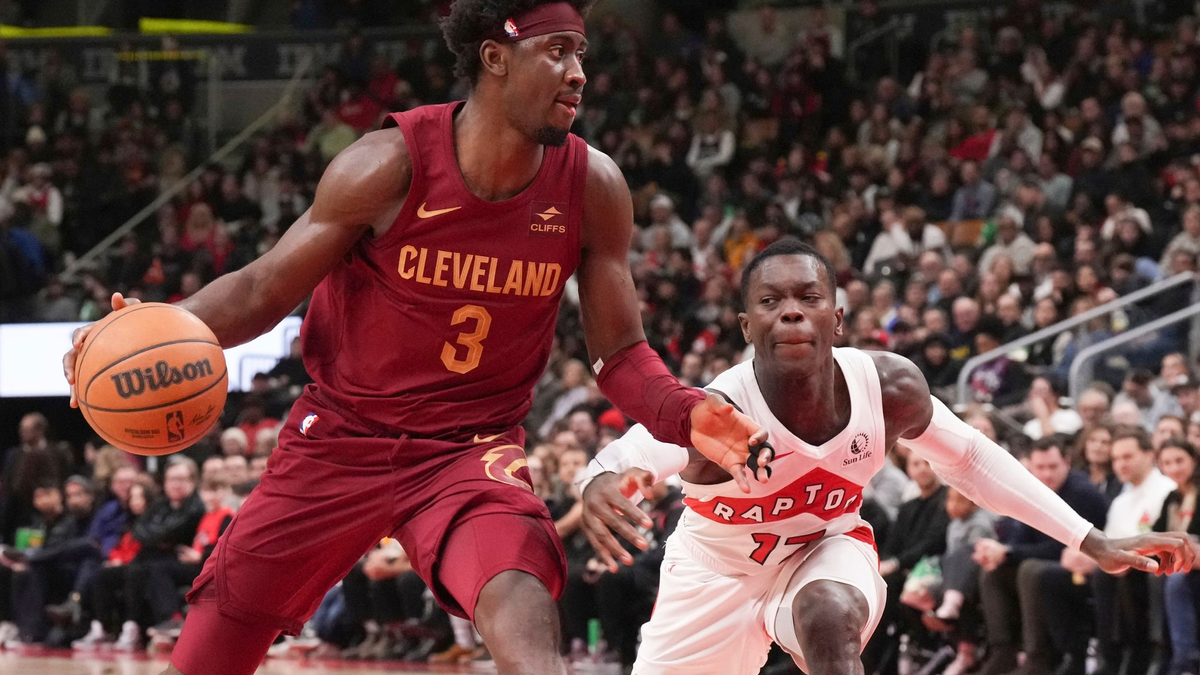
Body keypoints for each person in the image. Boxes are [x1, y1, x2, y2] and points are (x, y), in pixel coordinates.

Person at [61, 3, 766, 674]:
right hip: (341, 435)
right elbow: (260, 290)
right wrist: (147, 328)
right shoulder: (385, 164)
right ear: (493, 57)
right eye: (557, 51)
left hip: (470, 449)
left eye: (582, 52)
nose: (579, 72)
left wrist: (685, 410)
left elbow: (618, 355)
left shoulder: (593, 186)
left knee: (518, 585)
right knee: (217, 636)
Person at [580, 238, 1196, 675]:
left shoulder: (889, 388)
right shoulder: (720, 409)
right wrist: (600, 481)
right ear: (746, 326)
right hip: (713, 572)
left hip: (824, 553)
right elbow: (629, 453)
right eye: (771, 301)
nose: (791, 309)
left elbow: (973, 462)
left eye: (808, 296)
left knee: (827, 612)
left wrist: (1091, 541)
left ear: (838, 318)